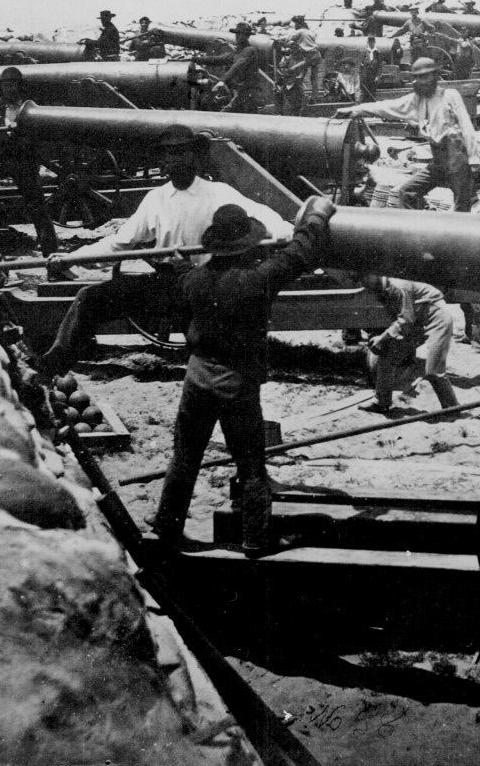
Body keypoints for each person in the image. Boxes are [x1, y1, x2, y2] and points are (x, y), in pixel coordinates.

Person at [152, 197, 335, 556]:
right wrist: (318, 215)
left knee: (185, 457)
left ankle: (166, 527)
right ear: (247, 246)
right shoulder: (257, 280)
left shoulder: (194, 280)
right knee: (251, 464)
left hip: (198, 377)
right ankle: (254, 541)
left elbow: (182, 274)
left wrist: (177, 261)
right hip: (237, 384)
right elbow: (300, 252)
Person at [35, 124, 292, 377]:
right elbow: (119, 243)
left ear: (194, 156)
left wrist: (286, 233)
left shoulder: (219, 193)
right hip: (166, 285)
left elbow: (265, 218)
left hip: (203, 286)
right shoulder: (155, 199)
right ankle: (52, 366)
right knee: (89, 298)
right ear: (162, 160)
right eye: (168, 154)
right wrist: (72, 258)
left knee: (213, 361)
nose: (174, 159)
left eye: (180, 152)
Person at [336, 57, 478, 213]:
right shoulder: (417, 101)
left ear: (435, 76)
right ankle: (418, 226)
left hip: (458, 161)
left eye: (424, 77)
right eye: (417, 77)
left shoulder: (450, 96)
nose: (420, 81)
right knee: (407, 192)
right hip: (439, 162)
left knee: (461, 207)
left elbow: (467, 127)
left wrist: (474, 161)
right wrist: (354, 110)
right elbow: (386, 106)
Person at [0, 68, 60, 254]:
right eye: (5, 86)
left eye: (12, 85)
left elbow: (39, 138)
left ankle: (49, 247)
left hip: (25, 163)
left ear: (19, 87)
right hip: (5, 161)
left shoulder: (30, 111)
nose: (8, 89)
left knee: (36, 206)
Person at [360, 273, 458, 414]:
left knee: (433, 370)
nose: (363, 281)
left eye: (365, 277)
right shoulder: (379, 289)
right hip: (416, 322)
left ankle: (452, 409)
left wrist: (382, 338)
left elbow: (405, 320)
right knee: (387, 357)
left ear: (375, 274)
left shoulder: (398, 286)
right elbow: (400, 319)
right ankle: (381, 402)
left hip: (437, 319)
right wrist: (385, 340)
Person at [217, 22, 273, 114]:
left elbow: (238, 65)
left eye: (240, 34)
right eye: (237, 34)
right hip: (241, 91)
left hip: (248, 92)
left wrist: (222, 80)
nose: (237, 36)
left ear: (247, 36)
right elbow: (219, 59)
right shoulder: (240, 52)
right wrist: (194, 58)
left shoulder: (249, 51)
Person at [288, 16, 323, 100]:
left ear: (298, 24)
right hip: (316, 55)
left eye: (295, 23)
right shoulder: (309, 31)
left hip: (309, 56)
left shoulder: (299, 32)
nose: (294, 25)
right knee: (313, 78)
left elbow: (287, 39)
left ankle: (300, 94)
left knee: (298, 73)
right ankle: (314, 96)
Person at [357, 35, 384, 103]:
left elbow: (380, 65)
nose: (371, 43)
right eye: (370, 42)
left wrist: (378, 76)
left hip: (373, 75)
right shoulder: (364, 52)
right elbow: (361, 64)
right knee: (365, 92)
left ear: (374, 42)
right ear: (368, 42)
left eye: (372, 41)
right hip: (365, 74)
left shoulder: (378, 52)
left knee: (372, 92)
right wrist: (360, 75)